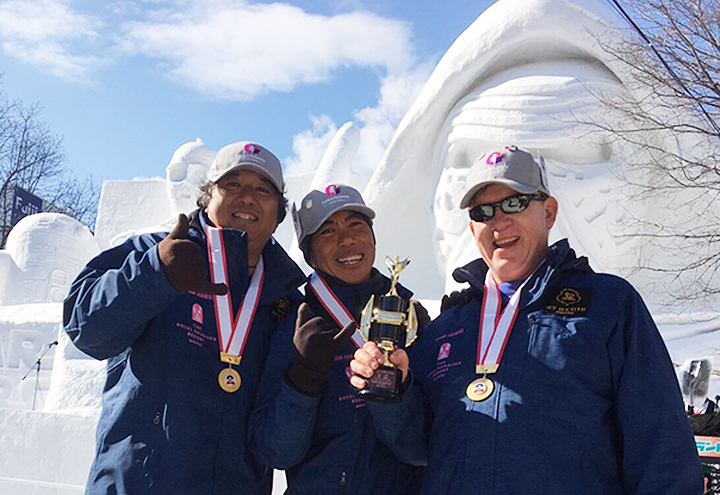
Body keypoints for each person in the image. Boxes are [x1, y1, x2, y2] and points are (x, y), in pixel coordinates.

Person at [350, 145, 704, 494]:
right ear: (472, 230)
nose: (498, 222)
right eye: (483, 212)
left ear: (548, 212)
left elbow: (661, 444)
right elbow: (418, 449)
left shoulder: (608, 304)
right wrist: (393, 390)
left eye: (515, 203)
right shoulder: (446, 328)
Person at [63, 141, 305, 495]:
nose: (247, 197)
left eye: (262, 189)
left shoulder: (287, 303)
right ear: (207, 197)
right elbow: (87, 331)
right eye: (232, 184)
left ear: (279, 213)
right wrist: (154, 273)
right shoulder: (152, 253)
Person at [248, 184, 425, 494]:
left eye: (356, 224)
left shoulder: (409, 321)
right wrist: (303, 381)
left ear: (372, 237)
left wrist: (392, 391)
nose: (347, 239)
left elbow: (419, 450)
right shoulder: (294, 328)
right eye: (327, 231)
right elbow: (275, 452)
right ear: (310, 254)